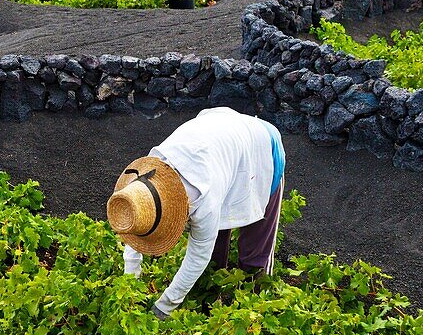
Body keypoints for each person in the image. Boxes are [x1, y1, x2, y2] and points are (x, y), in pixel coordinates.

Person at [106, 107, 287, 319]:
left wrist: (165, 306)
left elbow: (198, 255)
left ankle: (256, 303)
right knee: (214, 253)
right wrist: (131, 278)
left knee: (255, 248)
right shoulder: (149, 175)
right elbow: (137, 218)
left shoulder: (204, 201)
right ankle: (212, 295)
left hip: (261, 146)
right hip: (218, 140)